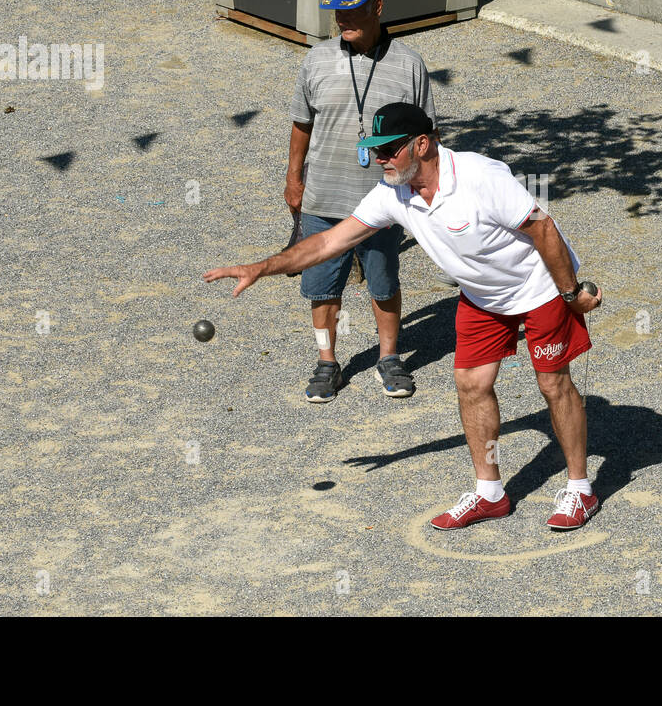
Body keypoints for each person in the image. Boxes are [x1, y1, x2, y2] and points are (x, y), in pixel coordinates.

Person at [205, 103, 604, 531]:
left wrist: (572, 292)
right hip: (483, 297)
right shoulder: (392, 193)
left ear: (421, 144)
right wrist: (260, 268)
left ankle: (580, 489)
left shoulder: (479, 176)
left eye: (388, 150)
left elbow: (542, 227)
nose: (379, 159)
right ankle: (490, 494)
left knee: (552, 381)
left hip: (540, 286)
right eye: (374, 151)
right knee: (471, 384)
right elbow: (326, 244)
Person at [286, 0, 434, 403]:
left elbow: (428, 136)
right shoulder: (316, 60)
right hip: (323, 197)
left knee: (384, 283)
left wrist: (427, 187)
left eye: (352, 9)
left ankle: (389, 359)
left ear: (378, 5)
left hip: (385, 198)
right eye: (338, 9)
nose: (343, 19)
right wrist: (293, 179)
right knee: (321, 287)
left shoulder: (409, 65)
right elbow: (300, 124)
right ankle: (327, 363)